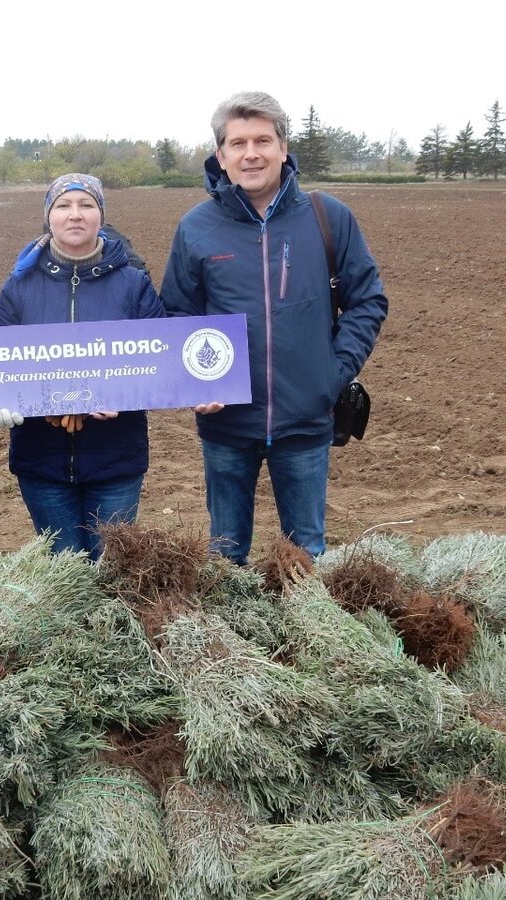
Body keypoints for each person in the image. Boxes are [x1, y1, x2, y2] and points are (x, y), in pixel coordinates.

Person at [160, 91, 388, 565]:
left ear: (283, 148)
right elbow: (179, 314)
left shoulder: (328, 218)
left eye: (263, 140)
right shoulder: (196, 228)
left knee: (307, 555)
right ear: (220, 156)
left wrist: (333, 371)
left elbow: (367, 301)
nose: (251, 153)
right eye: (237, 143)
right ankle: (231, 636)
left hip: (305, 423)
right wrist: (194, 381)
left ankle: (307, 633)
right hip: (226, 424)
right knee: (225, 557)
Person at [0, 173, 165, 561]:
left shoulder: (134, 284)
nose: (75, 214)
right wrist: (15, 402)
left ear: (101, 215)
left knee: (111, 569)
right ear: (48, 217)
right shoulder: (19, 286)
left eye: (87, 205)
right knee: (63, 572)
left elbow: (157, 363)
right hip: (42, 461)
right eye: (63, 206)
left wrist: (122, 396)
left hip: (116, 458)